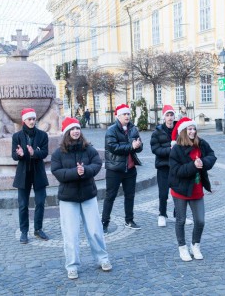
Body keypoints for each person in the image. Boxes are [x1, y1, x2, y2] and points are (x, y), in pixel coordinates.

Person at [51, 117, 112, 279]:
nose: (76, 131)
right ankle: (72, 265)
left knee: (94, 230)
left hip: (88, 195)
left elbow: (97, 164)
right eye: (72, 129)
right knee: (70, 234)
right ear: (66, 133)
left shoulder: (88, 149)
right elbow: (57, 172)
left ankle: (102, 258)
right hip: (68, 198)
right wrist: (74, 172)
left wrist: (85, 171)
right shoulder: (58, 153)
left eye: (77, 128)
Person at [169, 117, 217, 261]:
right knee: (181, 220)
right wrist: (193, 166)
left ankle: (195, 245)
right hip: (180, 189)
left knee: (200, 221)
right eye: (189, 129)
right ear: (183, 131)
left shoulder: (201, 144)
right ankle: (182, 247)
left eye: (194, 128)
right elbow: (176, 170)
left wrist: (203, 162)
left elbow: (212, 156)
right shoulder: (176, 149)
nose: (192, 131)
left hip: (196, 188)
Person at [102, 104, 143, 233]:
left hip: (130, 169)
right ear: (118, 116)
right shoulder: (111, 130)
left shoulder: (133, 129)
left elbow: (139, 147)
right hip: (115, 169)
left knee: (130, 196)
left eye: (128, 114)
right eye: (124, 114)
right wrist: (132, 146)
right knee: (110, 196)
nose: (127, 116)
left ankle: (129, 220)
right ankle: (104, 222)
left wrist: (138, 145)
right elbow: (113, 147)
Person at [150, 105, 193, 227]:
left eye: (171, 115)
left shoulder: (180, 129)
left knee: (179, 192)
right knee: (163, 193)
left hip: (176, 167)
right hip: (163, 167)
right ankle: (162, 215)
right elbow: (155, 149)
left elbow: (186, 143)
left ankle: (178, 215)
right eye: (167, 115)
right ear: (164, 117)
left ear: (174, 116)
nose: (169, 118)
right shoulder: (157, 131)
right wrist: (170, 150)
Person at [12, 108, 50, 244]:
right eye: (29, 119)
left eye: (34, 119)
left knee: (40, 202)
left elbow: (45, 153)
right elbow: (14, 155)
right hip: (23, 174)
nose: (32, 121)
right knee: (23, 205)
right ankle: (24, 231)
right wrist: (19, 154)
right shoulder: (17, 136)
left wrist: (34, 153)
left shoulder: (42, 135)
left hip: (38, 173)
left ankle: (38, 229)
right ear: (24, 120)